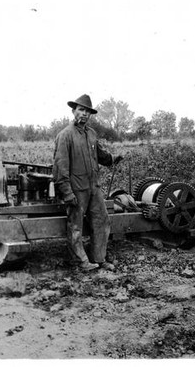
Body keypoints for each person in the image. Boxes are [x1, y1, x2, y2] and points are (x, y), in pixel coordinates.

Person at [53, 94, 123, 271]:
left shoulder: (91, 134)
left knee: (102, 221)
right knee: (75, 227)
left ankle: (99, 259)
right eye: (81, 110)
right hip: (77, 190)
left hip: (93, 188)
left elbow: (100, 155)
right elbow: (60, 168)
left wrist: (113, 159)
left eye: (87, 111)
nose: (84, 114)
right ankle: (80, 261)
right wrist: (67, 193)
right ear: (73, 111)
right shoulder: (65, 136)